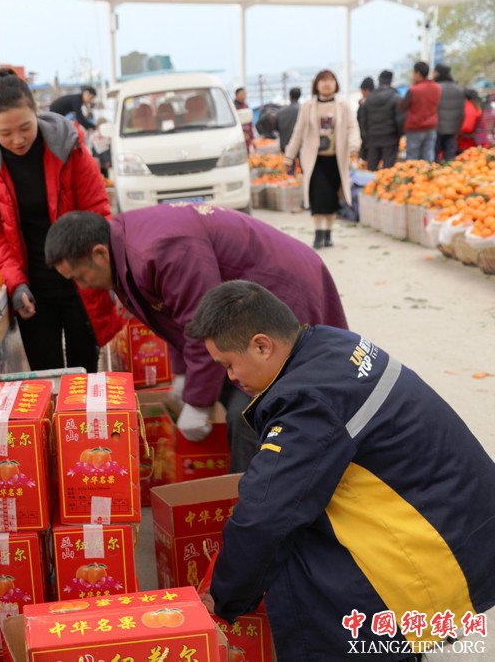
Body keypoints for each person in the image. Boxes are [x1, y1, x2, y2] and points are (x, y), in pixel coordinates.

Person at [190, 280, 495, 661]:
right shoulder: (330, 343)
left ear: (262, 344)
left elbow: (265, 515)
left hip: (438, 548)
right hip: (465, 518)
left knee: (299, 576)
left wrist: (224, 597)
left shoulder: (307, 401)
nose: (230, 378)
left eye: (228, 364)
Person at [42, 208, 347, 471]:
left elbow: (201, 320)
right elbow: (171, 313)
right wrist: (182, 374)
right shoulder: (123, 242)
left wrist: (198, 402)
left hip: (281, 289)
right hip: (244, 304)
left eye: (81, 277)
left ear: (99, 253)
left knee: (257, 408)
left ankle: (258, 497)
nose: (84, 286)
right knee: (242, 394)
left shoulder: (159, 249)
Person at [0, 68, 122, 373]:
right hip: (32, 289)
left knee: (83, 375)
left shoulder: (70, 149)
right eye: (5, 133)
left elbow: (97, 213)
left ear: (36, 112)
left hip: (82, 281)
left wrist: (99, 271)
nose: (17, 139)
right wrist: (16, 282)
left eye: (25, 127)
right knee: (45, 378)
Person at [284, 69, 360, 249]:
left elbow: (352, 127)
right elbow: (298, 132)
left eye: (331, 80)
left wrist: (354, 146)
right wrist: (289, 156)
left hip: (336, 159)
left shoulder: (343, 105)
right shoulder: (308, 107)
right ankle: (318, 232)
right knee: (318, 197)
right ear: (316, 84)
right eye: (323, 80)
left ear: (336, 84)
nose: (327, 84)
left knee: (333, 198)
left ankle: (328, 232)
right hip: (315, 160)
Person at [399, 61, 442, 162]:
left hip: (415, 127)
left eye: (413, 73)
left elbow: (401, 107)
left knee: (412, 157)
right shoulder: (437, 87)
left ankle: (413, 177)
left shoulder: (414, 89)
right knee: (428, 155)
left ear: (418, 73)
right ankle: (427, 175)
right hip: (431, 126)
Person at [361, 70, 403, 170]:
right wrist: (399, 134)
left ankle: (369, 185)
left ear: (379, 80)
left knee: (371, 167)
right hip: (390, 137)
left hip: (373, 137)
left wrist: (366, 133)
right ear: (390, 80)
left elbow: (363, 118)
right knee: (388, 170)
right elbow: (400, 119)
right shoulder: (395, 96)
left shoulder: (370, 97)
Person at [433, 64, 465, 162]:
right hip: (453, 127)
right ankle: (450, 173)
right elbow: (462, 110)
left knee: (434, 155)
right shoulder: (459, 89)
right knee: (450, 155)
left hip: (437, 127)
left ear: (438, 73)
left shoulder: (435, 88)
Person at [274, 87, 301, 155]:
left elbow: (276, 128)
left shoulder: (281, 111)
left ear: (290, 96)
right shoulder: (303, 110)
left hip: (285, 146)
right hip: (299, 146)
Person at [356, 76, 375, 161]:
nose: (362, 93)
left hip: (367, 137)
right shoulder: (374, 101)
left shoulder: (365, 104)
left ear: (366, 90)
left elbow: (361, 120)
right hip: (371, 136)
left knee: (367, 160)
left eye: (362, 91)